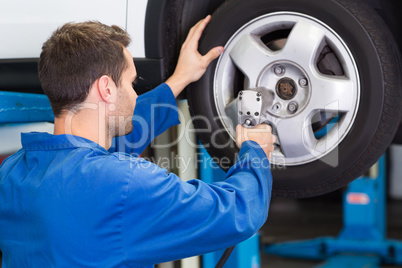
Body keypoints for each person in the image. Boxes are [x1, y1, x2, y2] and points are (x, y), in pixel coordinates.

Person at [0, 16, 274, 267]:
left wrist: (179, 80)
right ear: (107, 88)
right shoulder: (124, 183)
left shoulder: (12, 174)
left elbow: (88, 162)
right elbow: (238, 212)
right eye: (131, 83)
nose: (133, 94)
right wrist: (255, 152)